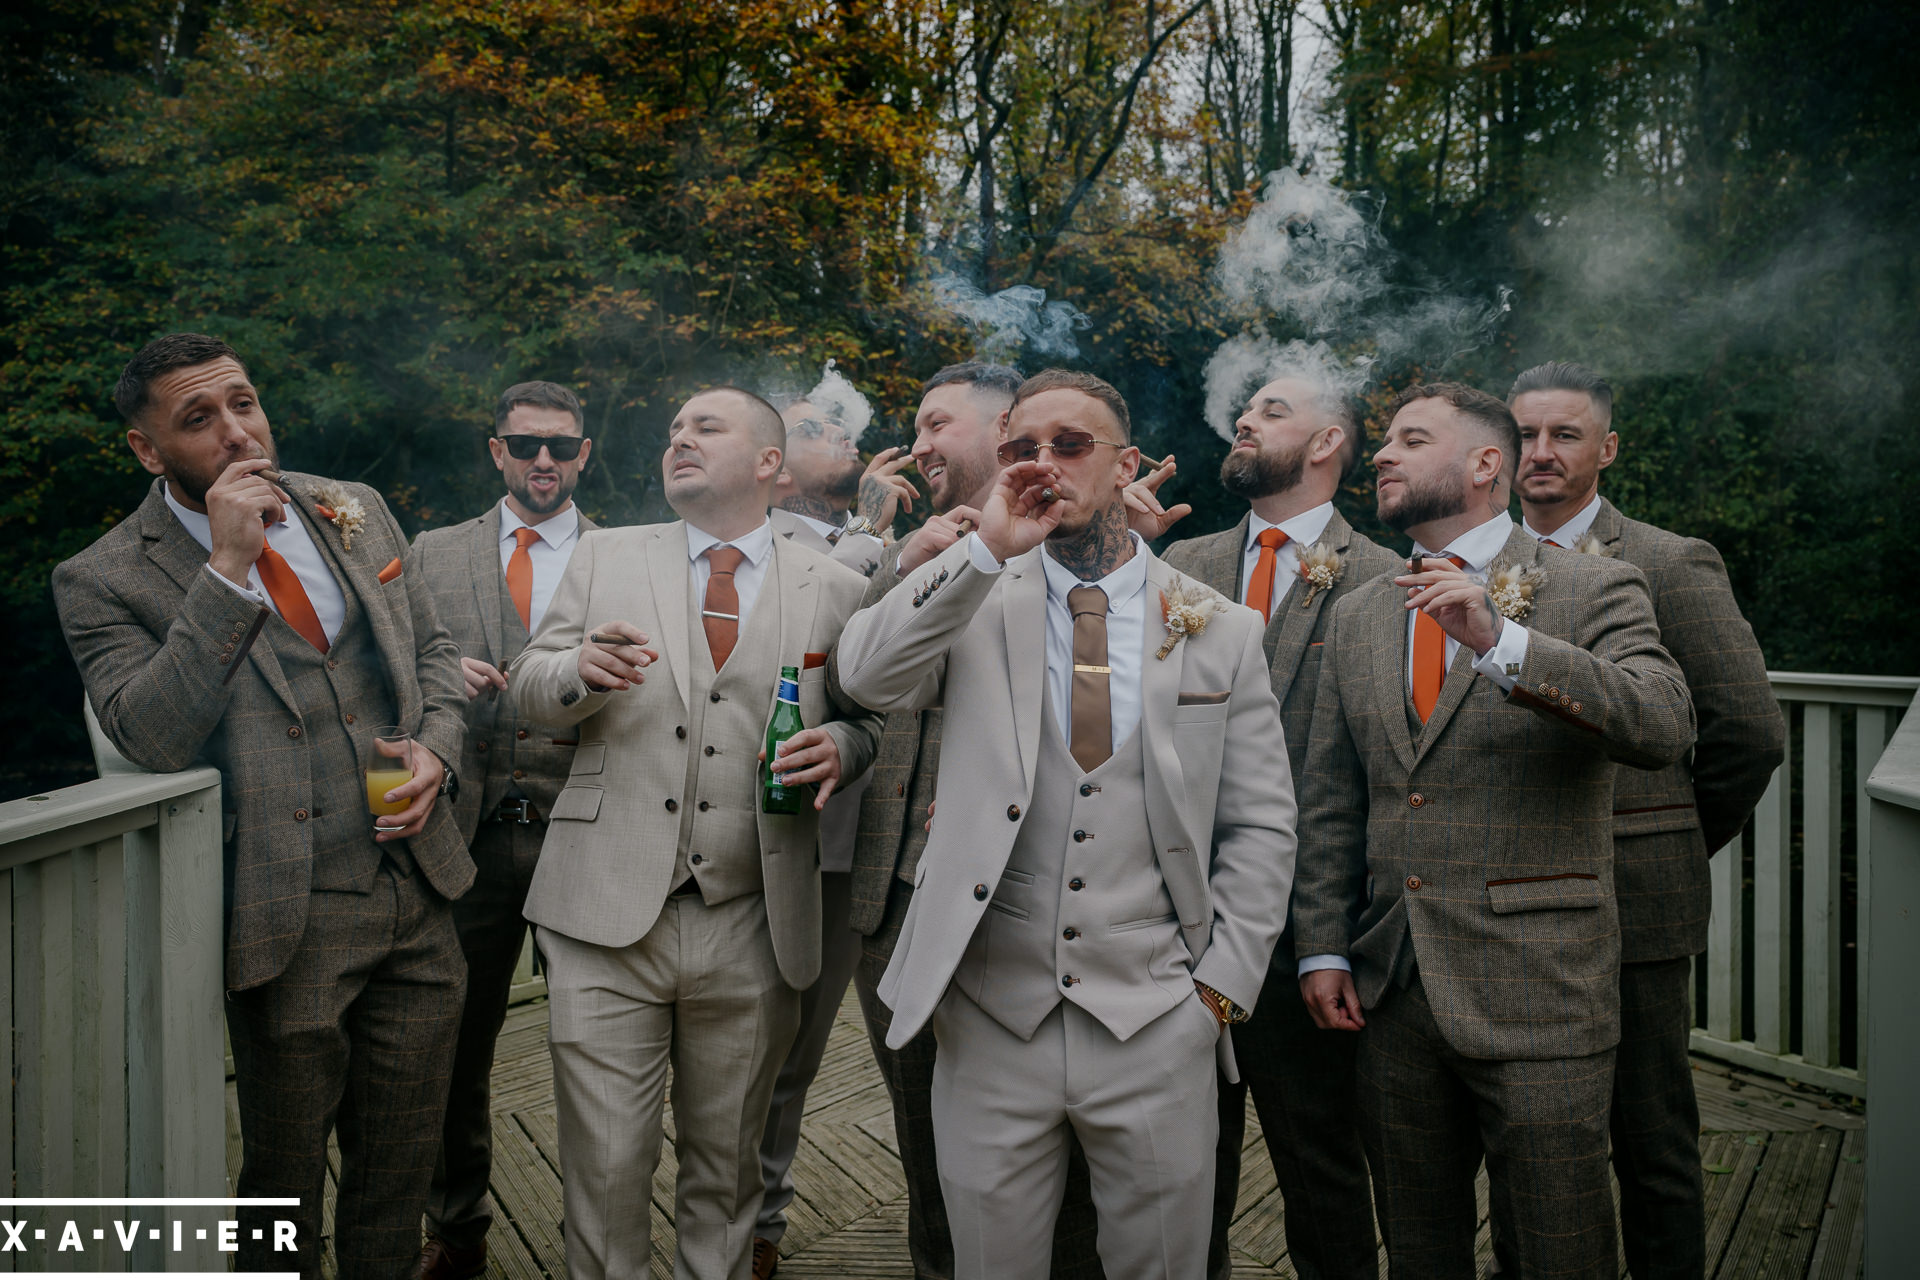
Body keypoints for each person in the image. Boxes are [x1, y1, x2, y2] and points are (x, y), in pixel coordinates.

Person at [834, 369, 1297, 1280]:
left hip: (1159, 1017)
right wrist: (983, 552)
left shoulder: (1221, 628)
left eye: (1069, 445)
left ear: (1124, 465)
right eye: (1019, 449)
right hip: (989, 1017)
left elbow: (1261, 824)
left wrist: (1215, 997)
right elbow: (865, 677)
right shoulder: (972, 595)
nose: (1041, 463)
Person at [52, 332, 472, 1280]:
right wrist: (227, 569)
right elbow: (150, 731)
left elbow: (437, 657)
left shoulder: (349, 506)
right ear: (147, 451)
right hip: (286, 915)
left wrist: (438, 749)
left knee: (400, 1166)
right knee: (281, 1184)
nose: (238, 433)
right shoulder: (102, 577)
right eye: (199, 419)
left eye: (243, 402)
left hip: (420, 888)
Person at [1291, 382, 1695, 1280]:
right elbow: (1329, 797)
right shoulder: (1359, 612)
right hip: (1390, 990)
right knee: (1420, 1252)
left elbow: (1666, 724)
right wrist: (1321, 946)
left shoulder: (1591, 583)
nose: (1383, 455)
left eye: (1410, 438)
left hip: (1540, 990)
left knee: (1562, 1250)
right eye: (1384, 441)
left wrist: (1502, 643)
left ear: (1484, 464)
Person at [508, 386, 882, 1280]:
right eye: (674, 429)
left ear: (768, 464)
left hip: (756, 914)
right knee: (603, 1171)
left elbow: (867, 723)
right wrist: (577, 674)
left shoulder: (837, 585)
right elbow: (528, 680)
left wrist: (843, 744)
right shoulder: (605, 555)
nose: (680, 439)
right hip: (601, 914)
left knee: (729, 1174)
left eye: (706, 427)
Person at [827, 361, 1105, 1280]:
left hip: (1031, 907)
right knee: (928, 1160)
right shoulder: (919, 550)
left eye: (935, 423)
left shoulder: (1091, 552)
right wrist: (910, 559)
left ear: (1000, 433)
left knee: (1060, 1167)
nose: (915, 446)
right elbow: (850, 684)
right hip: (896, 899)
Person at [1509, 361, 1784, 1280]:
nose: (1540, 453)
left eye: (1565, 435)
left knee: (1651, 1134)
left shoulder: (1668, 561)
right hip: (1504, 903)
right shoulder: (1480, 562)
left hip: (1634, 898)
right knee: (1530, 1131)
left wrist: (1673, 832)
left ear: (1607, 448)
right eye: (1525, 434)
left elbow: (1747, 732)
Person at [1153, 374, 1395, 1280]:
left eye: (1273, 411)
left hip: (1305, 937)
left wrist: (1335, 936)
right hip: (1164, 926)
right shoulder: (1172, 568)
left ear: (1329, 441)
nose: (1244, 420)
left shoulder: (1383, 578)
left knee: (1323, 1170)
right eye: (1244, 408)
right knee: (1178, 1174)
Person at [409, 380, 600, 1280]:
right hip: (464, 839)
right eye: (525, 445)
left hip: (585, 837)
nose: (543, 462)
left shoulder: (630, 557)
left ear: (585, 456)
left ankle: (598, 1235)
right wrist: (436, 691)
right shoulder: (426, 553)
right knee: (452, 1045)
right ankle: (458, 1226)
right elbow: (386, 688)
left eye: (561, 447)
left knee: (602, 1048)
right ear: (496, 452)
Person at [748, 390, 913, 1278]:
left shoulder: (880, 541)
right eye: (812, 428)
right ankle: (761, 1227)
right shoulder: (755, 549)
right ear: (769, 463)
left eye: (841, 424)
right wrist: (876, 536)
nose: (842, 436)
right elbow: (831, 629)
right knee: (782, 1056)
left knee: (916, 1054)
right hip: (796, 847)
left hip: (892, 844)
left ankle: (950, 1223)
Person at [766, 393, 917, 579]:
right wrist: (866, 528)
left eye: (833, 422)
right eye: (810, 428)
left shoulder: (889, 543)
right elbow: (815, 601)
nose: (838, 431)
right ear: (778, 470)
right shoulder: (764, 550)